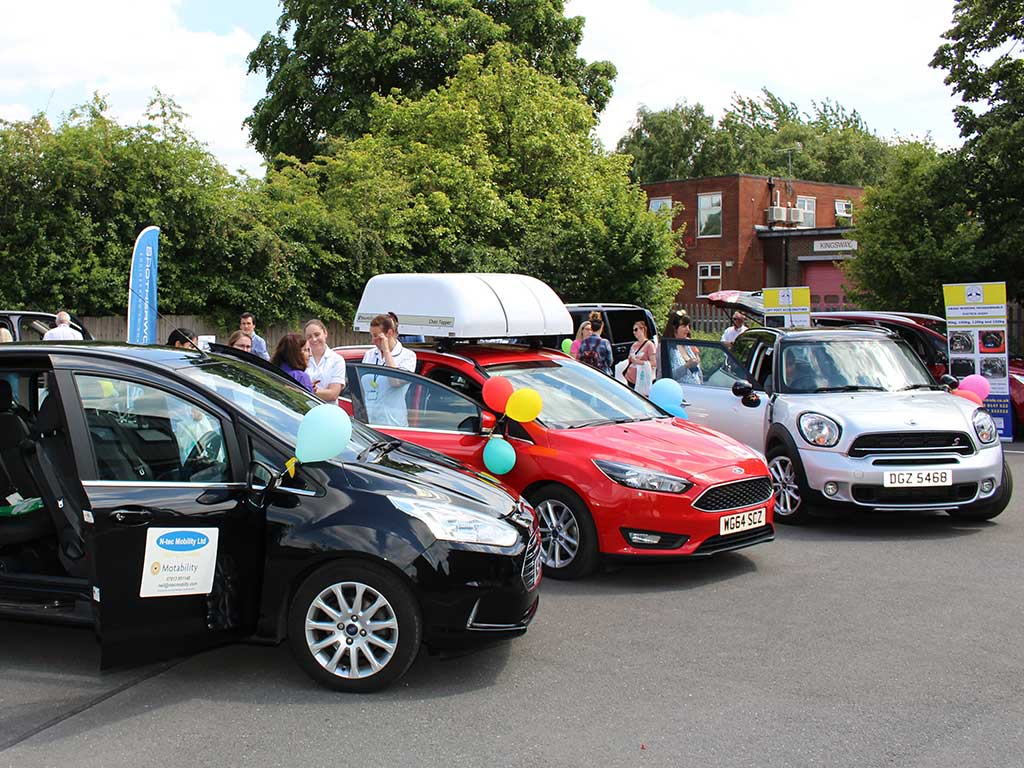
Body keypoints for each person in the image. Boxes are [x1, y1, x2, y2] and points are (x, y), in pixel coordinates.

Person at [361, 313, 417, 426]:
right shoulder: (369, 354)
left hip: (393, 424)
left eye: (376, 336)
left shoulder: (408, 356)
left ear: (389, 333)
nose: (373, 341)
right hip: (369, 422)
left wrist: (386, 351)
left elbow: (395, 382)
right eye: (371, 335)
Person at [304, 319, 346, 403]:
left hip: (327, 412)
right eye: (309, 337)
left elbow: (333, 394)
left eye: (317, 334)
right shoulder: (301, 358)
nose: (314, 339)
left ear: (325, 333)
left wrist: (305, 390)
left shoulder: (337, 360)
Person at [664, 310, 702, 385]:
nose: (688, 329)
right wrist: (686, 366)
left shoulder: (688, 343)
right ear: (674, 327)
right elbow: (666, 376)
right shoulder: (667, 347)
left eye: (688, 326)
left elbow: (699, 369)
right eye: (684, 326)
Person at [576, 311, 614, 376]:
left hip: (588, 372)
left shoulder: (584, 342)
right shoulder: (605, 342)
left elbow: (579, 357)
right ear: (601, 327)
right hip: (602, 373)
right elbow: (610, 361)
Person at [624, 320, 657, 390]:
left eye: (636, 330)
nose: (634, 332)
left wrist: (638, 362)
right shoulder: (634, 345)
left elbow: (653, 363)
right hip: (629, 378)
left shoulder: (649, 345)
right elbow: (630, 359)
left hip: (641, 380)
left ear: (642, 329)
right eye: (633, 330)